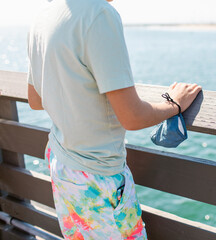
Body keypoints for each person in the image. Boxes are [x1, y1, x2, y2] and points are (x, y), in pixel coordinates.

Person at [27, 0, 201, 239]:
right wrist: (174, 103)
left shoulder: (43, 15)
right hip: (97, 178)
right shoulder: (99, 14)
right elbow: (132, 117)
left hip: (63, 165)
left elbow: (35, 100)